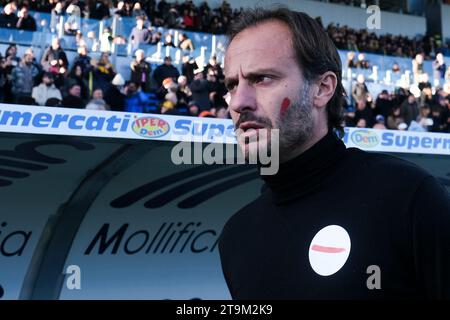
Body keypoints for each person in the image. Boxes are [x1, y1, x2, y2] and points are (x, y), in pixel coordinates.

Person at [218, 8, 450, 300]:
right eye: (231, 85)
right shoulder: (236, 237)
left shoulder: (408, 197)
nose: (239, 102)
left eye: (262, 78)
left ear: (322, 88)